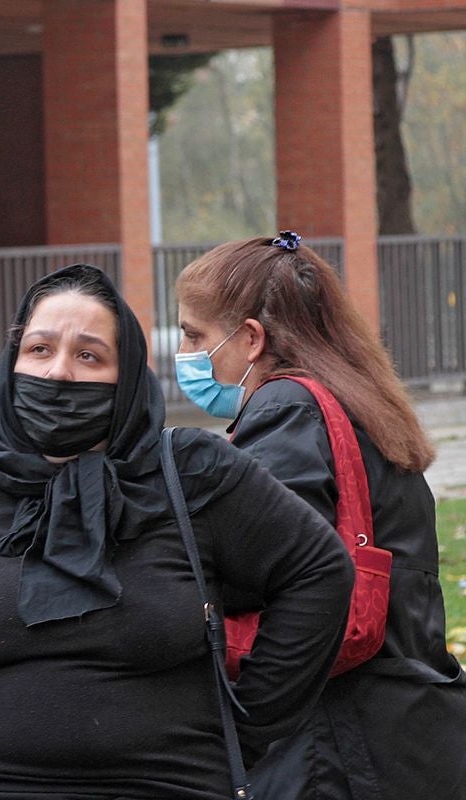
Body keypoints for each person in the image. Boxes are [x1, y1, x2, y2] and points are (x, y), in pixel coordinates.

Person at [0, 264, 355, 799]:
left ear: (128, 378)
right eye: (40, 350)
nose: (57, 374)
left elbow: (319, 570)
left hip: (162, 782)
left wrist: (249, 727)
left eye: (89, 356)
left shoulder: (190, 472)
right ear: (12, 363)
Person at [175, 232, 466, 799]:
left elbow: (275, 571)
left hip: (333, 745)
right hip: (407, 724)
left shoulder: (286, 409)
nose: (184, 350)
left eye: (193, 334)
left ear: (251, 338)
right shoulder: (360, 401)